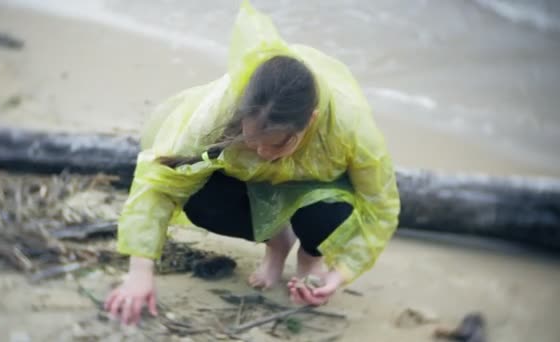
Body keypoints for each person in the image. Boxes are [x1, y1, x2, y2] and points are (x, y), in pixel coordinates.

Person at [105, 2, 400, 325]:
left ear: (311, 121)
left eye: (277, 144)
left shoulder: (350, 128)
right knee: (201, 202)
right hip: (241, 181)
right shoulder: (219, 110)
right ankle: (277, 241)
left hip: (315, 190)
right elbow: (159, 181)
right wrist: (140, 271)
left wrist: (339, 275)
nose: (262, 153)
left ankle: (310, 257)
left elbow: (381, 207)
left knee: (332, 216)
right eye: (251, 141)